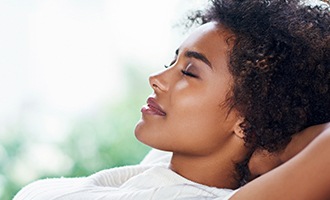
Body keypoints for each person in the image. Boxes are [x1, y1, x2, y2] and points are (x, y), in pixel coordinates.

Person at [14, 0, 330, 199]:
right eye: (172, 63)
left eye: (189, 73)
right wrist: (266, 148)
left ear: (247, 118)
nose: (157, 78)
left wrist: (273, 152)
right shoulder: (164, 168)